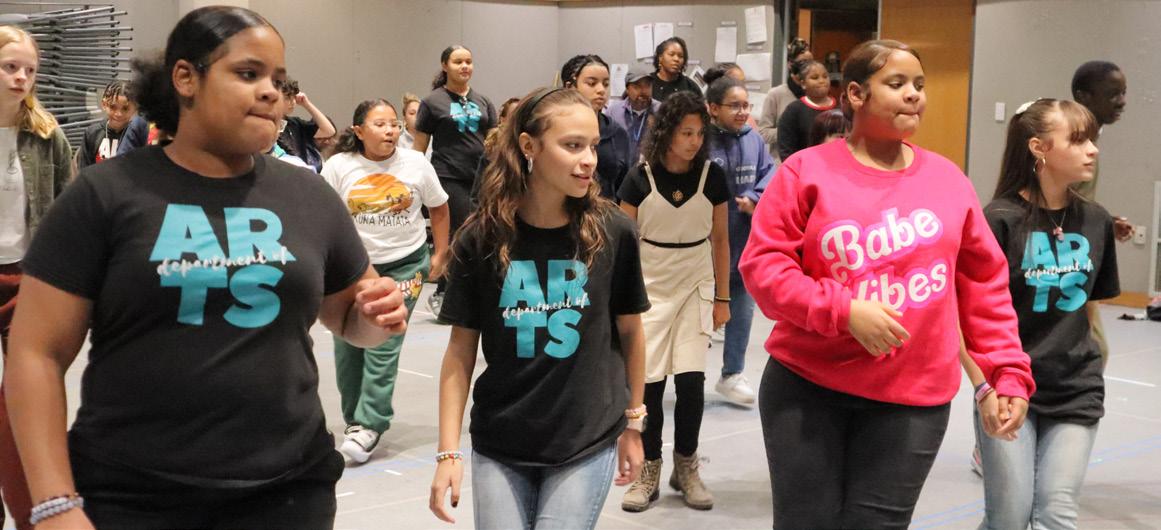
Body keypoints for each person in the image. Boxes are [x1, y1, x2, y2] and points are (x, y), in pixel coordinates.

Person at [4, 7, 408, 529]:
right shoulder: (104, 195)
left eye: (278, 80)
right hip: (134, 496)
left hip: (288, 493)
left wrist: (376, 317)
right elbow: (35, 353)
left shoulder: (308, 195)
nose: (271, 92)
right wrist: (55, 502)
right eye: (248, 73)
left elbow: (351, 319)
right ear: (185, 78)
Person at [739, 39, 1036, 529]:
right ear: (856, 94)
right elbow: (765, 268)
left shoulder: (948, 181)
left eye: (919, 84)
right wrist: (843, 311)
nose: (914, 95)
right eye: (897, 84)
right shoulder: (805, 172)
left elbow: (983, 287)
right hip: (808, 389)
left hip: (912, 398)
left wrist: (1005, 371)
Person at [428, 87, 648, 530]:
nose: (588, 160)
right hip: (501, 438)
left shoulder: (614, 231)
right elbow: (460, 351)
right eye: (572, 145)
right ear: (529, 146)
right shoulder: (481, 237)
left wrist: (634, 422)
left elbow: (631, 332)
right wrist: (448, 452)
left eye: (592, 146)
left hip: (584, 440)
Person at [966, 98, 1118, 530]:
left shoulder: (1097, 220)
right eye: (1079, 140)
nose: (1093, 150)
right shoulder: (999, 221)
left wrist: (1090, 365)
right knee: (1009, 518)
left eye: (1093, 140)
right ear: (1039, 148)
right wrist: (984, 388)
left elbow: (1089, 312)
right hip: (1007, 389)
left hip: (1075, 390)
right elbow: (968, 320)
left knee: (1056, 513)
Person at [618, 91, 730, 512]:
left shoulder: (712, 177)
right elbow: (622, 245)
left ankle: (686, 465)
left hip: (696, 283)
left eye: (700, 133)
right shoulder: (638, 179)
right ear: (666, 133)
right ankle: (649, 468)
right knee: (650, 383)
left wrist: (722, 297)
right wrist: (621, 303)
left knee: (691, 381)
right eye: (686, 132)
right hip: (650, 286)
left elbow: (721, 240)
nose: (694, 141)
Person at [322, 98, 450, 465]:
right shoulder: (338, 166)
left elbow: (439, 207)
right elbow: (324, 215)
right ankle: (355, 421)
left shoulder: (416, 164)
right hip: (353, 269)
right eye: (380, 124)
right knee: (347, 343)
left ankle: (372, 422)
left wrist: (440, 253)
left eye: (394, 124)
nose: (391, 130)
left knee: (384, 338)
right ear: (359, 131)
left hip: (405, 265)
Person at [0, 24, 72, 530]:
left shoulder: (48, 135)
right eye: (9, 67)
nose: (21, 77)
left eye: (29, 69)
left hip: (27, 282)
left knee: (22, 408)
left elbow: (70, 210)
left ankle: (31, 515)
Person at [705, 77, 775, 406]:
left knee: (742, 311)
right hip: (706, 245)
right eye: (734, 106)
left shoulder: (754, 139)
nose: (742, 112)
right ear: (713, 108)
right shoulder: (701, 140)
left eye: (746, 105)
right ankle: (686, 372)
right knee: (699, 315)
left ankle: (732, 373)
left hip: (743, 240)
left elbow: (769, 172)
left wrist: (754, 198)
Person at [413, 45, 497, 318]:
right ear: (445, 65)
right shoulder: (432, 102)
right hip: (448, 177)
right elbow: (419, 146)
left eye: (468, 61)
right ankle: (444, 292)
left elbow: (494, 142)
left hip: (480, 178)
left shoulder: (483, 101)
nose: (464, 66)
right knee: (459, 233)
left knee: (482, 233)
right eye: (458, 61)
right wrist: (413, 180)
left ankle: (472, 291)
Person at [561, 54, 631, 200]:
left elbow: (623, 187)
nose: (601, 90)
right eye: (592, 83)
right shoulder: (556, 130)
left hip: (606, 209)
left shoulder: (617, 132)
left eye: (605, 84)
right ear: (570, 87)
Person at [758, 38, 813, 159]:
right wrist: (787, 129)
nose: (807, 67)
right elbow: (762, 133)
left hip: (810, 161)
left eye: (810, 62)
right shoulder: (776, 94)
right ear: (790, 64)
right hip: (783, 162)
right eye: (802, 62)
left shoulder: (815, 95)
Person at [776, 59, 837, 161]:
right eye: (815, 78)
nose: (822, 81)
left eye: (825, 76)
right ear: (803, 84)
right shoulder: (794, 111)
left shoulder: (841, 107)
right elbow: (786, 150)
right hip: (804, 167)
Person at [276, 78, 337, 172]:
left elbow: (329, 131)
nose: (293, 102)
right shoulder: (267, 125)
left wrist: (306, 104)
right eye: (287, 98)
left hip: (301, 174)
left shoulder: (295, 123)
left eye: (294, 97)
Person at [604, 63, 659, 161]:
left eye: (647, 86)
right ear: (627, 90)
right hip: (621, 167)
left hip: (652, 167)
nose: (643, 91)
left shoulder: (661, 110)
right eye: (637, 86)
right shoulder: (613, 112)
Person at [75, 80, 136, 169]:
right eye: (113, 107)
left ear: (135, 108)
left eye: (125, 109)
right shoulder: (92, 133)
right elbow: (84, 171)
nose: (118, 114)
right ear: (104, 104)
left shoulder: (139, 135)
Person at [651, 37, 701, 102]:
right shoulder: (648, 83)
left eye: (680, 56)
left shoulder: (690, 86)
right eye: (671, 54)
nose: (676, 59)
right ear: (660, 58)